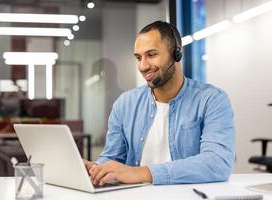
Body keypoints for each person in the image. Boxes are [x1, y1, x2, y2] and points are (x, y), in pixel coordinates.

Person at [84, 21, 235, 186]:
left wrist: (142, 173)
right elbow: (113, 158)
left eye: (151, 55)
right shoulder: (125, 104)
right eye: (138, 57)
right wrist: (96, 169)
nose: (143, 66)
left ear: (176, 54)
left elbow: (217, 163)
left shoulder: (211, 100)